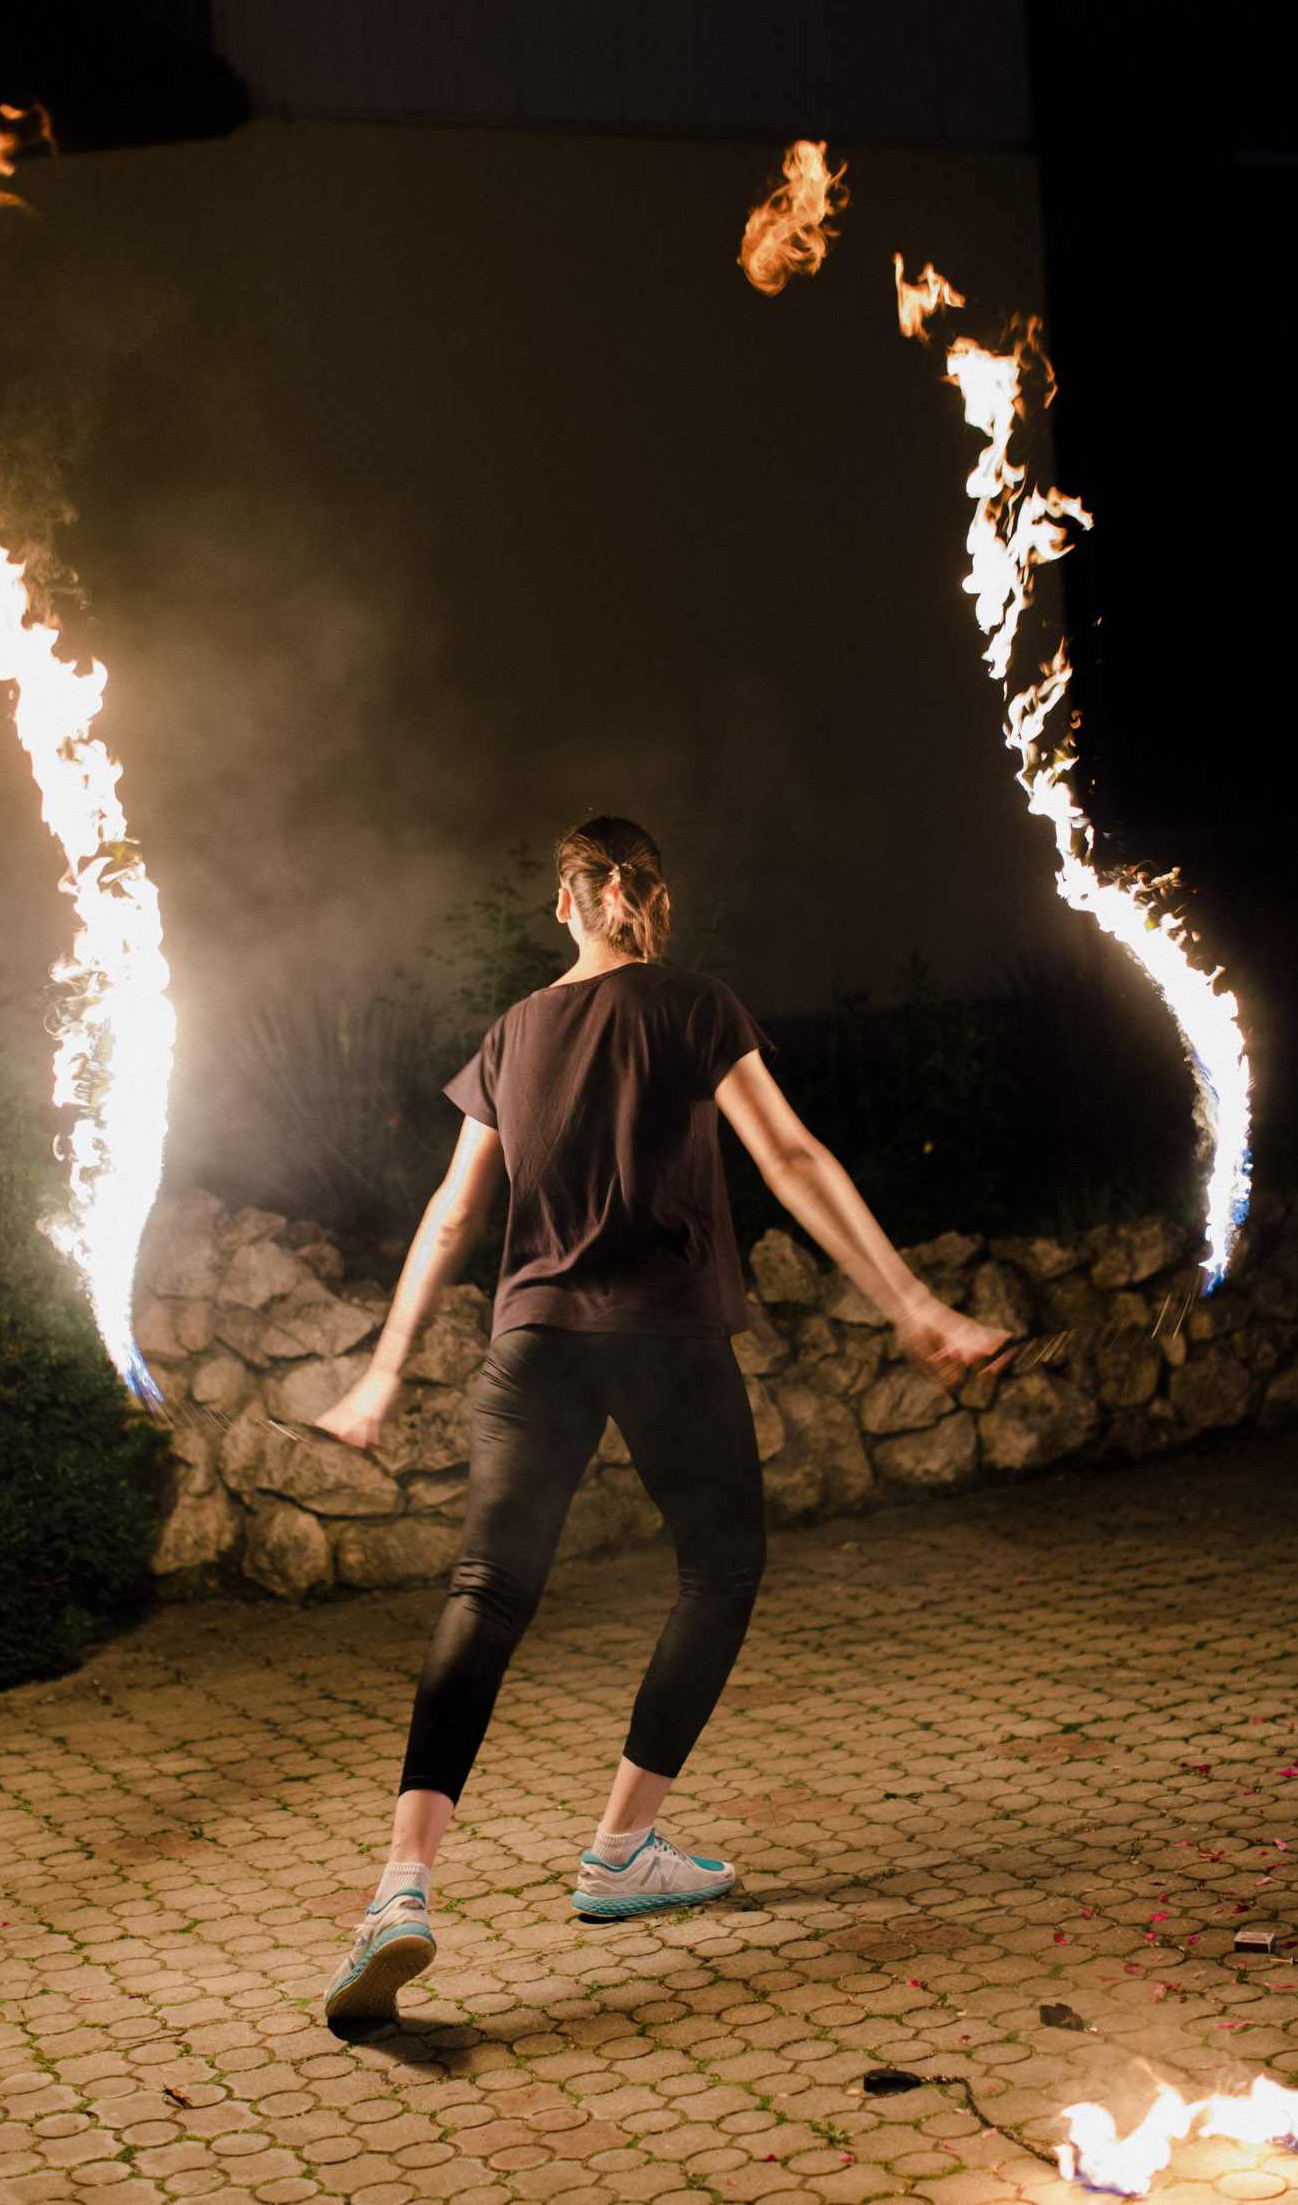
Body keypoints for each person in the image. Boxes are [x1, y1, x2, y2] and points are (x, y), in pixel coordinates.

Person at [315, 816, 1004, 2027]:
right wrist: (915, 1306)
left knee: (486, 1592)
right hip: (664, 1336)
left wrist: (380, 1376)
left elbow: (452, 1214)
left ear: (568, 903)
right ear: (649, 899)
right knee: (722, 1570)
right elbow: (790, 1157)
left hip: (533, 1341)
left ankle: (400, 1889)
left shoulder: (513, 1031)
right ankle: (622, 1848)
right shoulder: (693, 1006)